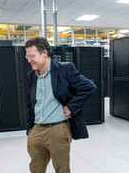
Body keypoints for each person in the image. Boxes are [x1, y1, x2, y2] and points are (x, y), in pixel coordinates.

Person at [25, 36, 97, 173]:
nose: (29, 60)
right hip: (36, 130)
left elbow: (89, 87)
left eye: (32, 55)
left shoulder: (64, 69)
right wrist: (30, 130)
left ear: (44, 53)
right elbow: (31, 102)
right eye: (27, 56)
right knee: (35, 169)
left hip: (57, 130)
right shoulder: (31, 75)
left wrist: (71, 106)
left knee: (62, 170)